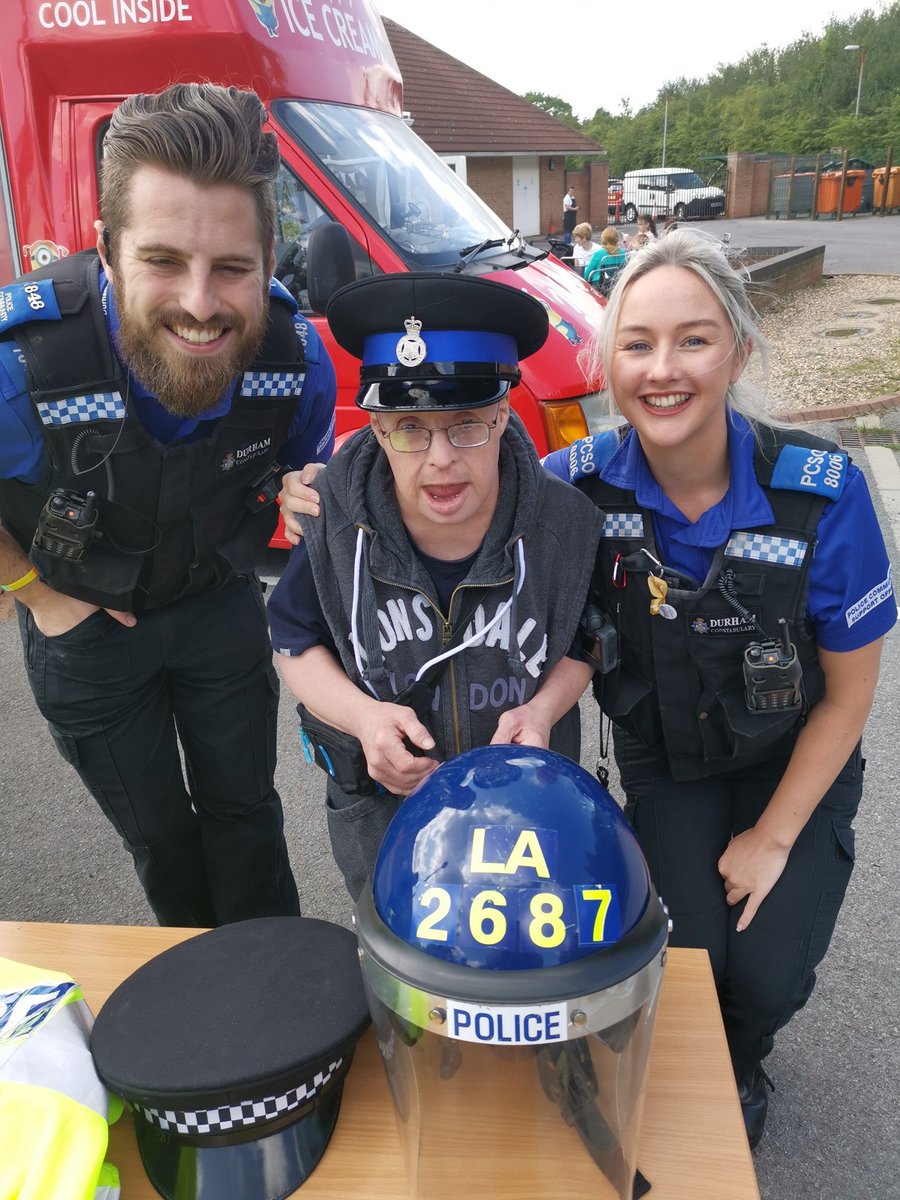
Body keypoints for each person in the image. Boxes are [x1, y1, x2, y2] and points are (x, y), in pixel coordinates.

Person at [543, 229, 895, 1150]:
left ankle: (742, 1056)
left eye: (693, 340)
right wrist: (334, 491)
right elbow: (446, 481)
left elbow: (849, 697)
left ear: (737, 351)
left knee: (765, 980)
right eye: (637, 344)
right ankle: (703, 1054)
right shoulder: (572, 487)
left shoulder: (821, 495)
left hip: (794, 761)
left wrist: (772, 841)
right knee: (687, 962)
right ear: (610, 365)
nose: (663, 369)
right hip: (668, 762)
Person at [0, 83, 337, 927]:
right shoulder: (21, 365)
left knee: (247, 816)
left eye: (232, 267)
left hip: (218, 604)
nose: (200, 303)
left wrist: (300, 492)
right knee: (162, 840)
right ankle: (194, 987)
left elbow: (302, 478)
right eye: (162, 261)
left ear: (270, 261)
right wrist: (33, 591)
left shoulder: (295, 360)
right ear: (106, 251)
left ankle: (274, 978)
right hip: (84, 630)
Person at [267, 273, 602, 901]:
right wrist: (364, 718)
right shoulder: (331, 516)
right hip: (383, 816)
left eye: (467, 423)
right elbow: (293, 640)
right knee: (394, 937)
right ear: (375, 426)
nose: (440, 457)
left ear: (503, 414)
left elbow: (585, 639)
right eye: (409, 426)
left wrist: (544, 710)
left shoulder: (567, 525)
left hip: (523, 813)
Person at [585, 227, 628, 295]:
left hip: (600, 287)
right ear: (616, 239)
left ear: (603, 239)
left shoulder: (598, 254)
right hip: (617, 286)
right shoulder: (623, 253)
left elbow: (587, 274)